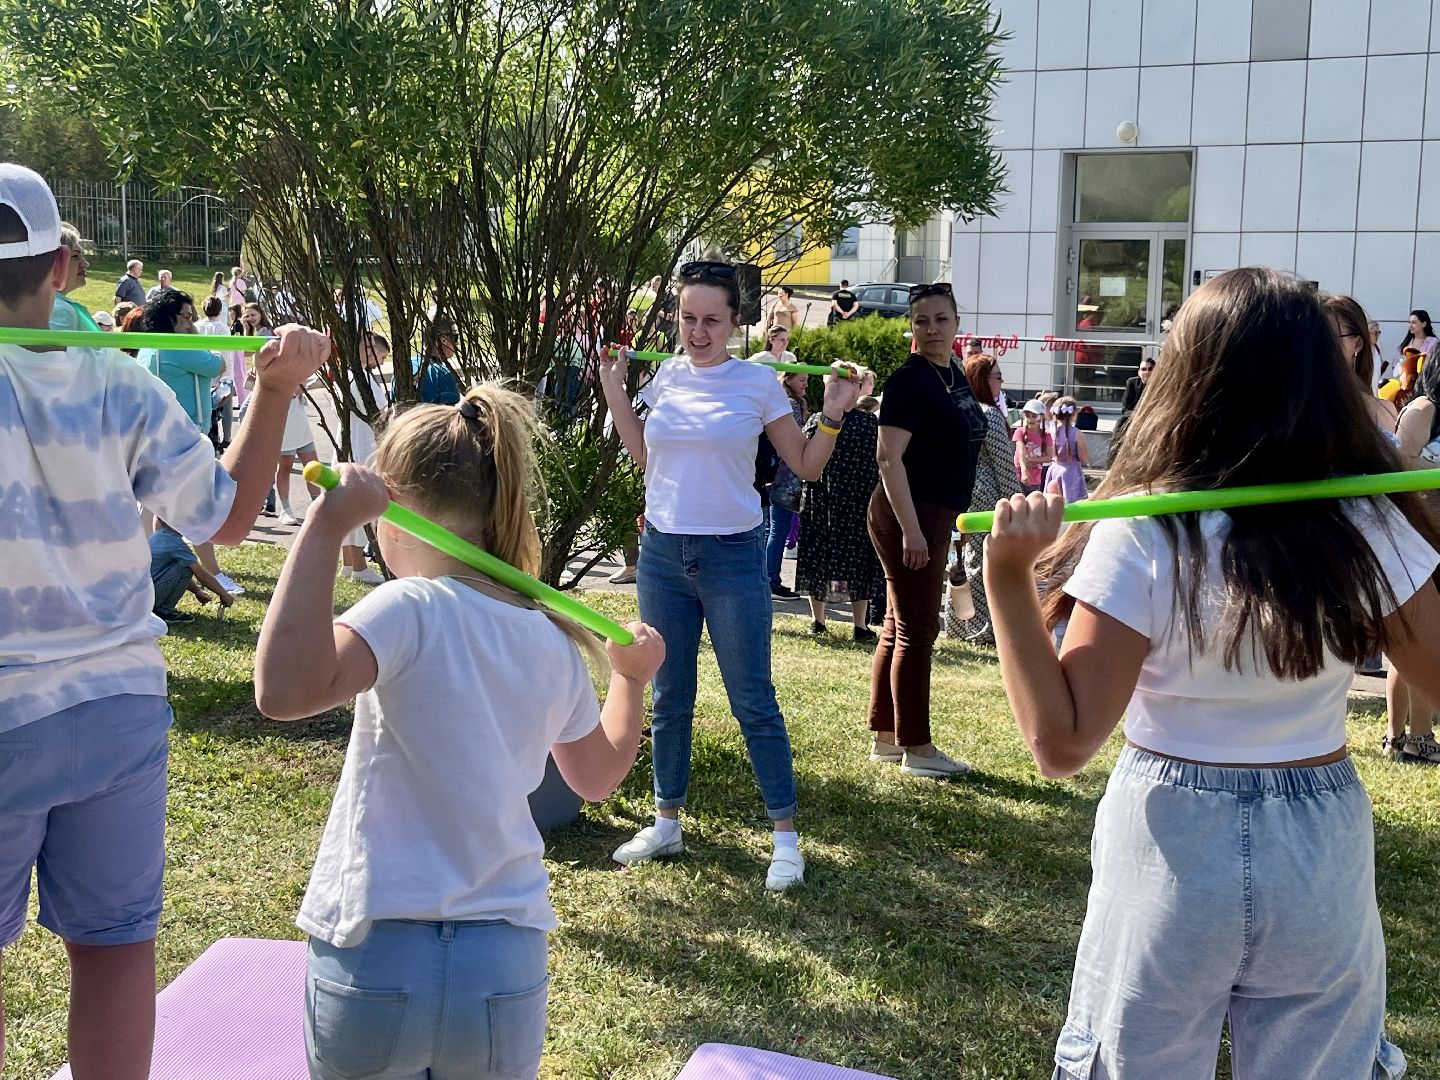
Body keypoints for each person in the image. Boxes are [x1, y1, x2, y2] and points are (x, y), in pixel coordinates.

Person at [985, 267, 1440, 1080]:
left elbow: (1060, 742)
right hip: (1318, 847)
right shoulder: (1365, 519)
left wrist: (1008, 581)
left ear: (1189, 373)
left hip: (1170, 838)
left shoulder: (1147, 526)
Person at [0, 158, 331, 1080]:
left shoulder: (117, 378)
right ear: (64, 268)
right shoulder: (117, 386)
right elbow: (224, 517)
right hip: (115, 708)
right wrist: (275, 392)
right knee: (112, 953)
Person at [253, 385, 666, 1080]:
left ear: (391, 516)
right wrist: (630, 679)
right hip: (502, 965)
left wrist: (324, 528)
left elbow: (284, 690)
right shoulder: (547, 637)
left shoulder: (406, 606)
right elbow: (596, 779)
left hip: (379, 949)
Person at [597, 260, 860, 890]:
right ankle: (666, 822)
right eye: (688, 318)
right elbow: (644, 454)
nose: (697, 331)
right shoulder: (665, 375)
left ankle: (786, 840)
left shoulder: (757, 383)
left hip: (733, 555)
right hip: (662, 553)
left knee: (753, 701)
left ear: (736, 322)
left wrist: (833, 413)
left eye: (711, 319)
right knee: (669, 697)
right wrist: (614, 391)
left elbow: (805, 463)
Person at [867, 281, 984, 778]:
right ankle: (918, 748)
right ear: (911, 327)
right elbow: (888, 457)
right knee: (918, 630)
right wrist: (913, 531)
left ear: (957, 323)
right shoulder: (910, 380)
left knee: (899, 625)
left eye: (940, 319)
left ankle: (888, 738)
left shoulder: (952, 375)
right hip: (907, 513)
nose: (931, 329)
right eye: (921, 320)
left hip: (936, 512)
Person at [137, 289, 246, 596]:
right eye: (187, 316)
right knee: (195, 507)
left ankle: (143, 568)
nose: (191, 322)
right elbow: (216, 365)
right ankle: (214, 572)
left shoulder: (150, 346)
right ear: (170, 319)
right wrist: (195, 335)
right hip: (182, 436)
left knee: (154, 508)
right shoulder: (177, 345)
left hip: (157, 435)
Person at [796, 366, 881, 640]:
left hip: (821, 499)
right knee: (858, 561)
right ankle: (860, 625)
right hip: (857, 501)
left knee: (817, 556)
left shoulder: (818, 421)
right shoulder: (869, 423)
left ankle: (818, 620)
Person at [944, 353, 1020, 646]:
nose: (1001, 382)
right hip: (986, 496)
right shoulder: (987, 414)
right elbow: (1003, 463)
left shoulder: (954, 411)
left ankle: (957, 624)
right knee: (981, 560)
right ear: (983, 379)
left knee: (957, 560)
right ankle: (979, 627)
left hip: (956, 493)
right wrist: (1016, 502)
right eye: (997, 376)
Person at [337, 332, 391, 585]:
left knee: (345, 501)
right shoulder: (362, 379)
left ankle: (349, 563)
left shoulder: (346, 375)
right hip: (361, 445)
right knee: (359, 504)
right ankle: (359, 565)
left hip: (349, 442)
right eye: (380, 355)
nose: (380, 362)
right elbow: (379, 412)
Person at [763, 366, 810, 598]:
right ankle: (771, 580)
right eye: (802, 380)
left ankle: (769, 578)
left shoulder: (791, 402)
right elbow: (794, 440)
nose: (806, 384)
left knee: (775, 530)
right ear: (789, 379)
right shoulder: (790, 405)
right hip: (786, 478)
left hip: (785, 477)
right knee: (777, 531)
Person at [148, 520, 235, 623]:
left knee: (183, 565)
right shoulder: (176, 544)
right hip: (151, 596)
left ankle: (156, 609)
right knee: (187, 567)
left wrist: (197, 591)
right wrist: (224, 594)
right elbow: (201, 575)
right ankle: (164, 611)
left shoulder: (156, 536)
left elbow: (169, 574)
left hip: (143, 595)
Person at [48, 223, 99, 331]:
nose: (85, 263)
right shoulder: (58, 310)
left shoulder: (57, 306)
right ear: (53, 261)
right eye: (75, 256)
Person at [1044, 396, 1088, 501]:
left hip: (1054, 469)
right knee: (1073, 506)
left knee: (1052, 502)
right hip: (1072, 472)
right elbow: (1084, 458)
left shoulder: (1050, 432)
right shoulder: (1078, 434)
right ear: (1074, 414)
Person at [413, 314, 462, 405]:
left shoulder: (404, 368)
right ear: (444, 339)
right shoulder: (442, 374)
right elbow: (452, 416)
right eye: (455, 337)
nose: (457, 343)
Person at [1012, 399, 1053, 494]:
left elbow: (1049, 457)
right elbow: (1021, 451)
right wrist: (1024, 470)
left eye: (1034, 416)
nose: (1030, 419)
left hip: (1035, 478)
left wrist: (1031, 460)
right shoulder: (1020, 432)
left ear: (1041, 417)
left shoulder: (1046, 435)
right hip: (1018, 475)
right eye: (1027, 415)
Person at [1115, 356, 1154, 444]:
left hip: (1152, 417)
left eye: (1150, 369)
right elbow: (1125, 408)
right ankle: (1114, 456)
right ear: (1139, 372)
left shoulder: (1160, 385)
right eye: (1144, 369)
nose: (1147, 372)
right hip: (1134, 415)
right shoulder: (1131, 383)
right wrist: (1137, 416)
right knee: (1120, 422)